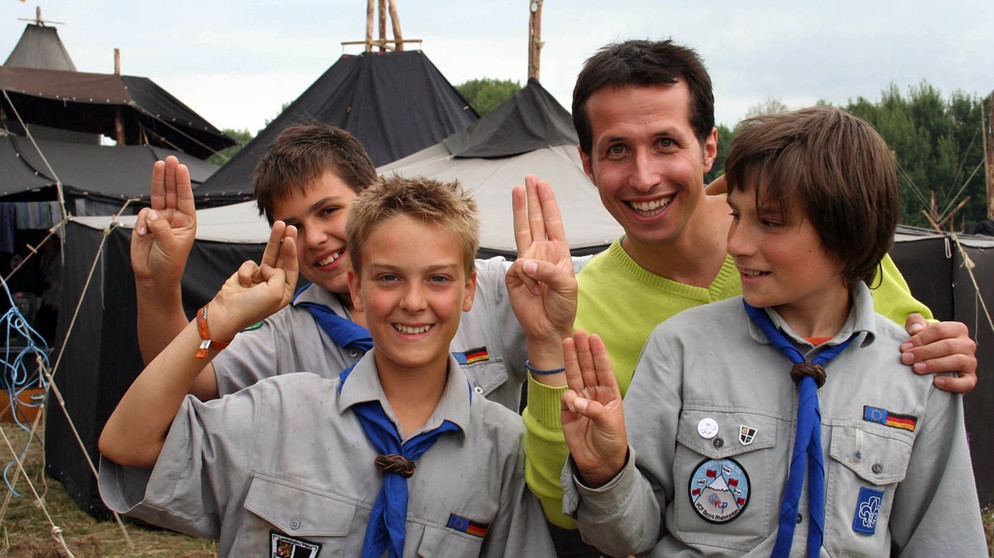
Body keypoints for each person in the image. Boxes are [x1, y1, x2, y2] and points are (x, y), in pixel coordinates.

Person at [512, 39, 980, 555]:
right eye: (617, 149)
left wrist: (944, 351)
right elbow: (572, 507)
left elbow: (917, 359)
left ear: (709, 147)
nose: (644, 177)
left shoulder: (827, 247)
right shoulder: (585, 306)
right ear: (587, 161)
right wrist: (548, 342)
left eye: (666, 143)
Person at [98, 175, 556, 557]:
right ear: (356, 288)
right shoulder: (277, 412)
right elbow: (127, 442)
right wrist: (211, 325)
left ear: (469, 289)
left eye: (437, 278)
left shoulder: (504, 448)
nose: (413, 302)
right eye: (388, 278)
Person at [131, 124, 549, 412]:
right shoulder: (285, 332)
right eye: (293, 225)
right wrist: (158, 285)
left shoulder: (493, 287)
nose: (313, 237)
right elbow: (188, 383)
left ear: (372, 196)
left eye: (329, 210)